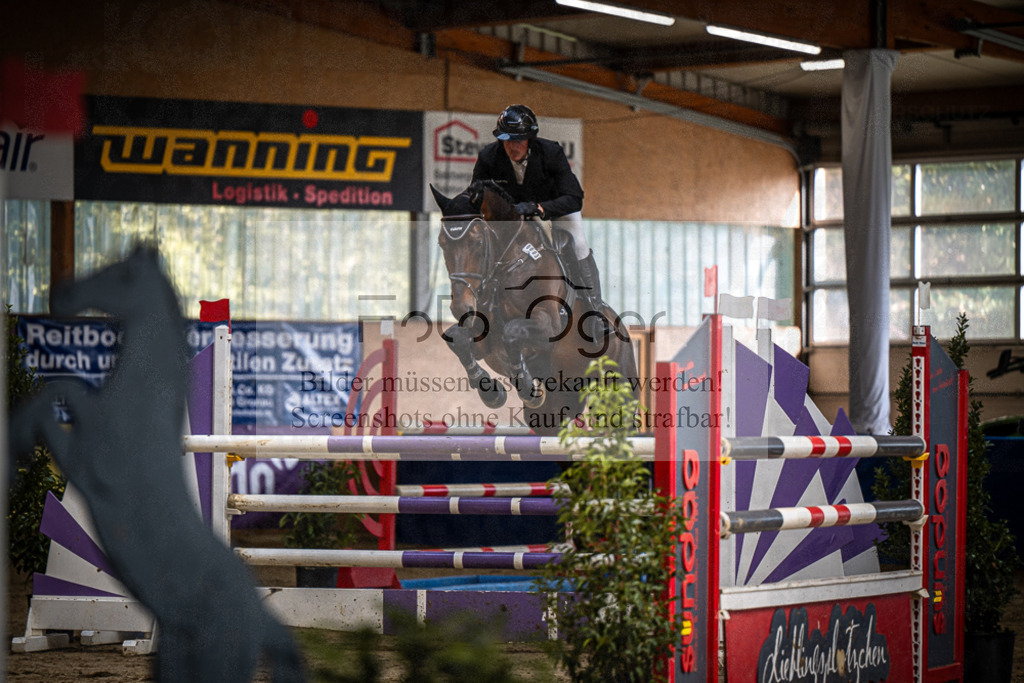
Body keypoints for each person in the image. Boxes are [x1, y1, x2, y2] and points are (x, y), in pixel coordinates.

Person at [472, 104, 610, 337]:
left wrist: (540, 208)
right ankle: (480, 308)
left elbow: (574, 198)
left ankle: (594, 310)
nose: (512, 146)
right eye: (507, 140)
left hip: (554, 209)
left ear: (530, 139)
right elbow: (475, 194)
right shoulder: (488, 157)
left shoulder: (551, 153)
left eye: (518, 140)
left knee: (578, 242)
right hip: (513, 217)